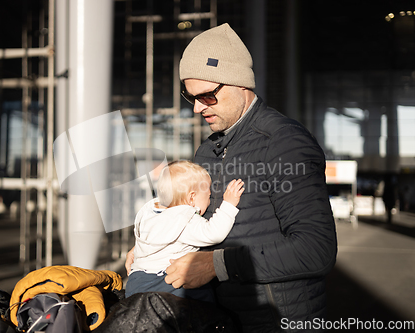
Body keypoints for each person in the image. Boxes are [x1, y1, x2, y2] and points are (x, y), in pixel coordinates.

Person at [127, 23, 338, 332]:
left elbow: (315, 250)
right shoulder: (205, 153)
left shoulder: (283, 142)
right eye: (191, 97)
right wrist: (156, 246)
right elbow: (193, 222)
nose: (198, 107)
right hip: (220, 320)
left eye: (208, 96)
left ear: (240, 84)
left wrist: (217, 266)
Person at [125, 160, 244, 303]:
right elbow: (214, 233)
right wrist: (229, 204)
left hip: (135, 281)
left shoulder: (150, 213)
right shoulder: (185, 219)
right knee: (203, 301)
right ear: (191, 198)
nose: (209, 200)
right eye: (208, 196)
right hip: (165, 282)